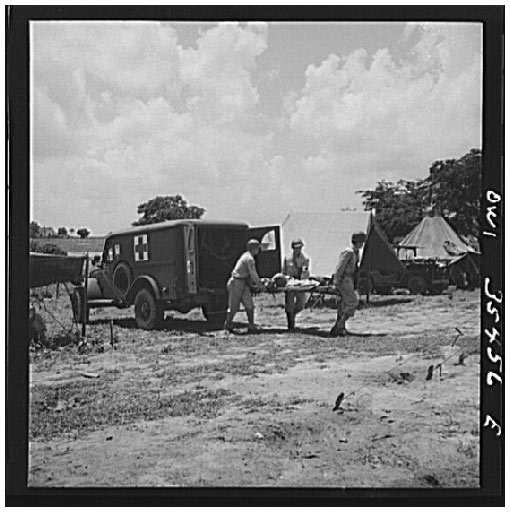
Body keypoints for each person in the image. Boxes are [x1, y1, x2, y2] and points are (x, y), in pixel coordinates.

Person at [223, 239, 266, 334]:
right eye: (257, 248)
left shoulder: (246, 256)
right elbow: (253, 274)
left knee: (249, 304)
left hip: (243, 282)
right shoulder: (249, 259)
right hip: (236, 282)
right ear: (254, 249)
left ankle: (251, 324)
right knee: (233, 306)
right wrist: (260, 285)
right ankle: (227, 325)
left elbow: (248, 275)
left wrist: (251, 285)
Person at [330, 231, 367, 337]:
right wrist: (336, 281)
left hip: (350, 279)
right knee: (353, 301)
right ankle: (339, 324)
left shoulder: (356, 253)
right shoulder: (349, 252)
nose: (362, 244)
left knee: (344, 304)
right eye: (361, 242)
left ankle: (340, 328)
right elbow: (340, 267)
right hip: (344, 279)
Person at [282, 238, 310, 330]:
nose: (298, 249)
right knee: (289, 304)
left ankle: (293, 315)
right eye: (296, 247)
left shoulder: (305, 258)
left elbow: (305, 272)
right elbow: (284, 271)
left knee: (301, 304)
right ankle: (290, 325)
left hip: (300, 283)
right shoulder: (287, 258)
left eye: (299, 247)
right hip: (289, 283)